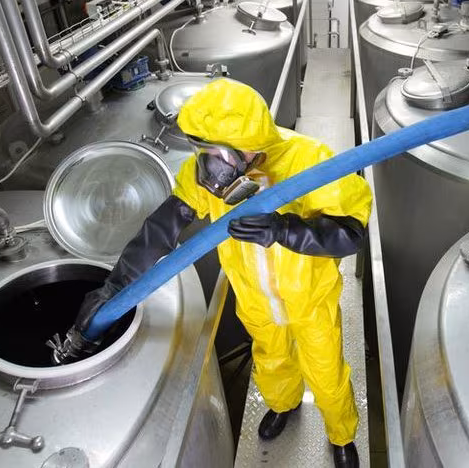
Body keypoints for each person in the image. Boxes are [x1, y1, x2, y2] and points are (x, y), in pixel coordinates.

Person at [68, 79, 371, 467]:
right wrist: (114, 286)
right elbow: (162, 228)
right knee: (271, 359)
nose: (208, 163)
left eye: (216, 150)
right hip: (254, 299)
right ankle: (282, 404)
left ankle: (341, 433)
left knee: (326, 370)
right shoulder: (210, 174)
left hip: (310, 300)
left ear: (249, 142)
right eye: (200, 149)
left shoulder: (310, 160)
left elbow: (350, 233)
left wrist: (284, 230)